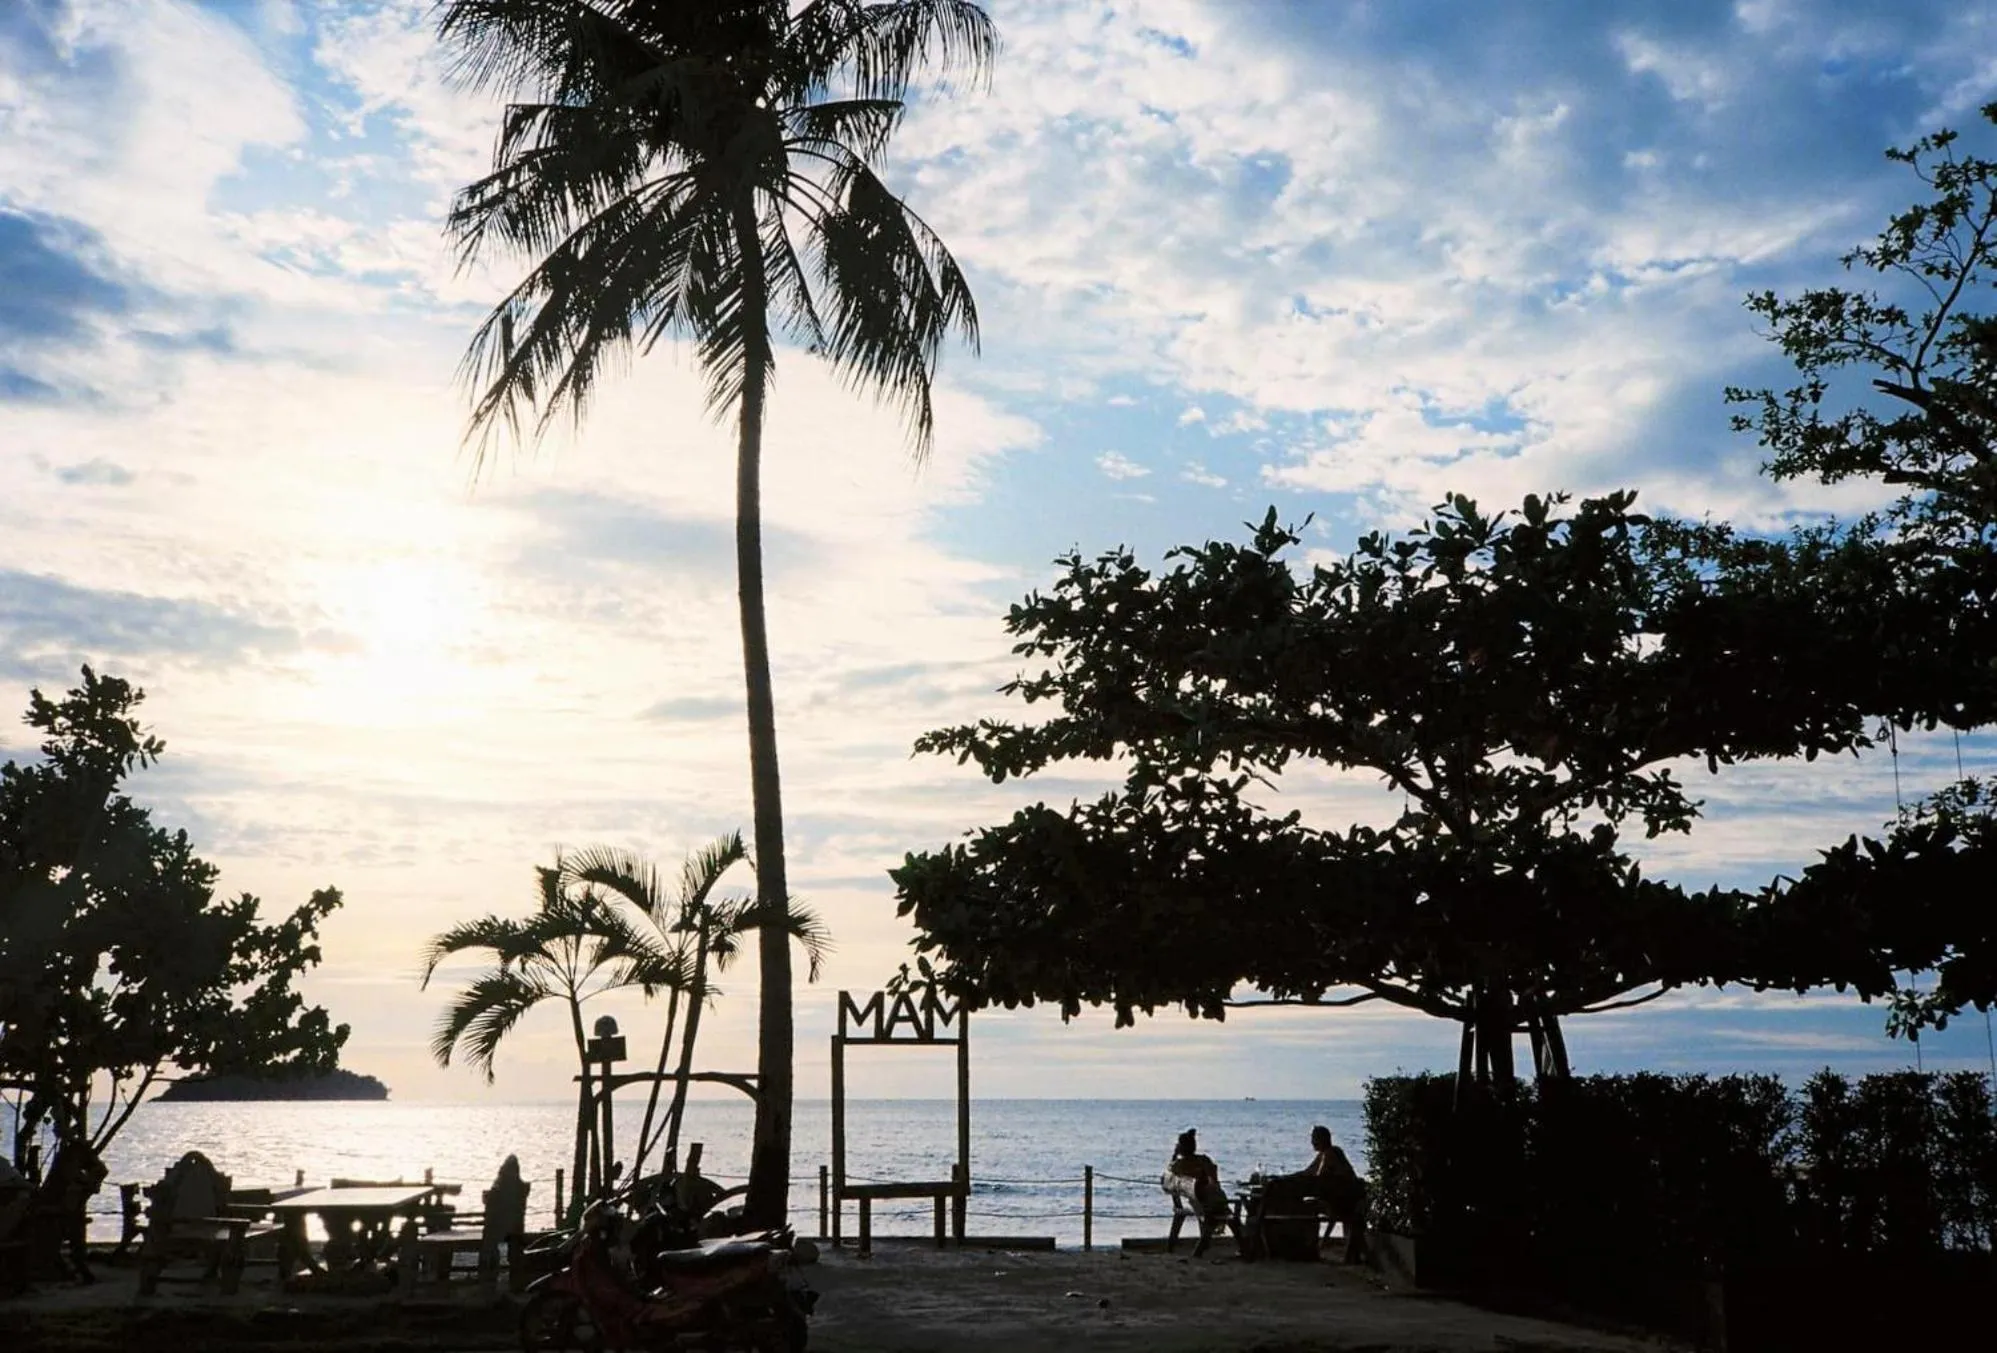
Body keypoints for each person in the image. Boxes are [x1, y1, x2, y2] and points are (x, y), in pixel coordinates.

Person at [1293, 1125, 1367, 1263]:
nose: (1312, 1142)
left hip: (1345, 1203)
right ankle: (1316, 1245)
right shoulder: (1324, 1154)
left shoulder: (1331, 1154)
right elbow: (1307, 1172)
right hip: (1341, 1201)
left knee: (1307, 1207)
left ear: (1321, 1140)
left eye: (1314, 1139)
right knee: (1310, 1205)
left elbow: (1317, 1178)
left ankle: (1311, 1247)